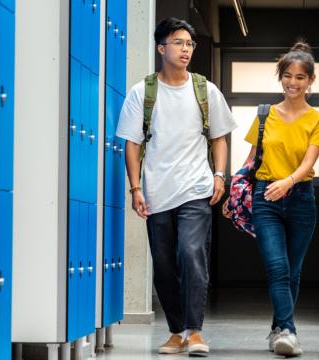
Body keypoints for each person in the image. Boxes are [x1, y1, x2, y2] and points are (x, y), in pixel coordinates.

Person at [115, 17, 236, 356]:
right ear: (161, 48)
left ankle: (194, 332)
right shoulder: (143, 92)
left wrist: (219, 175)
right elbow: (132, 144)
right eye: (178, 43)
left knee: (191, 255)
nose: (185, 49)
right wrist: (136, 189)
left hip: (195, 190)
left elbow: (220, 138)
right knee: (165, 264)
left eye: (189, 44)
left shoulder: (205, 90)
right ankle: (175, 330)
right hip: (156, 193)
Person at [243, 41, 319, 357]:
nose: (292, 82)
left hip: (301, 199)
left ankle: (277, 328)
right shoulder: (265, 115)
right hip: (266, 197)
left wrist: (289, 182)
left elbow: (310, 163)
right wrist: (235, 188)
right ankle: (289, 333)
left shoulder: (318, 121)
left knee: (293, 272)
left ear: (310, 81)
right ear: (280, 77)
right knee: (277, 268)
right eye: (287, 76)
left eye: (300, 77)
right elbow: (251, 159)